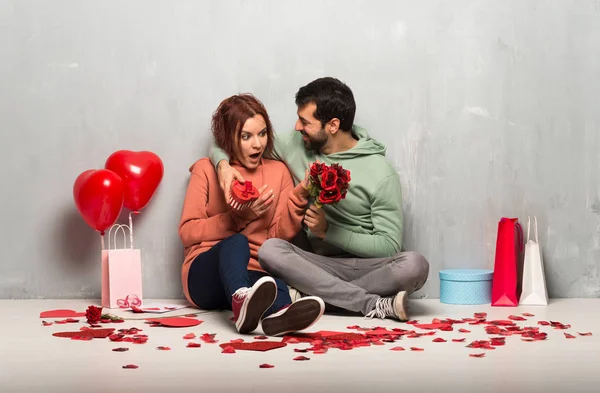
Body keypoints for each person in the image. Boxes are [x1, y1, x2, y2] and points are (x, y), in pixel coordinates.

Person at [209, 77, 430, 321]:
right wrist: (223, 166)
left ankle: (316, 297)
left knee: (415, 265)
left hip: (370, 267)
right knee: (271, 250)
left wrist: (328, 232)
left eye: (305, 121)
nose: (296, 127)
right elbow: (228, 141)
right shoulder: (296, 144)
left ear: (333, 125)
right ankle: (370, 303)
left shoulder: (381, 173)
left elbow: (389, 246)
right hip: (317, 265)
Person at [178, 93, 325, 336]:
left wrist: (300, 195)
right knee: (237, 242)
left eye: (262, 133)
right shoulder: (206, 169)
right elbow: (187, 232)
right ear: (228, 138)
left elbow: (278, 236)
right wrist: (239, 218)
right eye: (246, 136)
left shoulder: (279, 172)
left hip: (254, 275)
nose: (257, 144)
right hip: (203, 275)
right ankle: (241, 299)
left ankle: (277, 317)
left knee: (276, 286)